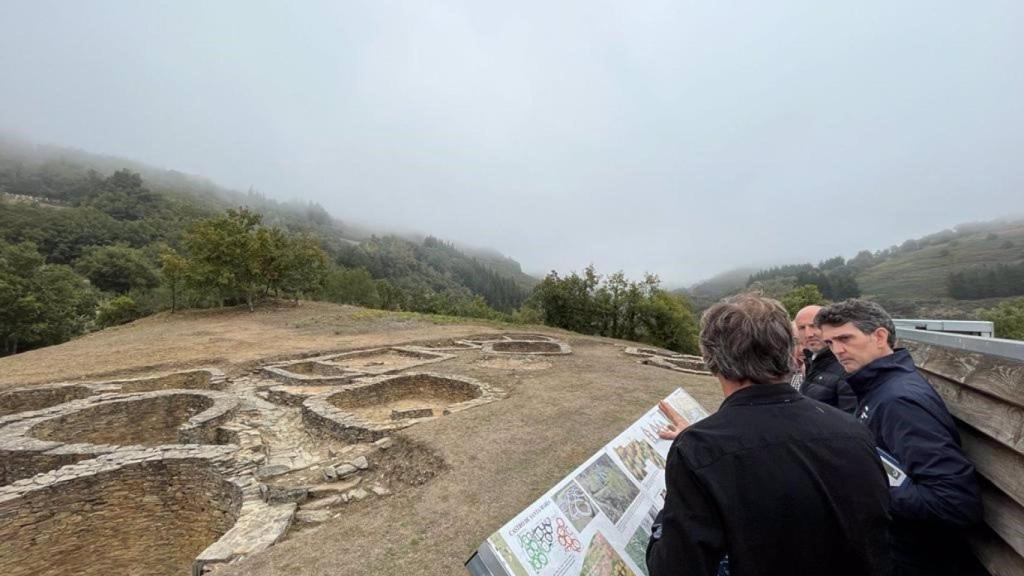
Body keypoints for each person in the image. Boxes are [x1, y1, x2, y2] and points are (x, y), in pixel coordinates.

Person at [646, 294, 891, 576]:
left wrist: (667, 513)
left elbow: (674, 567)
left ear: (711, 360)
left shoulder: (698, 450)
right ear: (788, 352)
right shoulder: (853, 431)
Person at [815, 299, 983, 576]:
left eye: (845, 338)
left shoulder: (899, 400)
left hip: (913, 558)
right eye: (830, 343)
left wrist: (865, 490)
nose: (838, 351)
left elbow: (955, 502)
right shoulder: (877, 387)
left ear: (879, 336)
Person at [794, 304, 857, 413]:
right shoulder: (812, 363)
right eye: (802, 328)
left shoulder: (847, 368)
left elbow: (851, 421)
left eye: (814, 326)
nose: (808, 334)